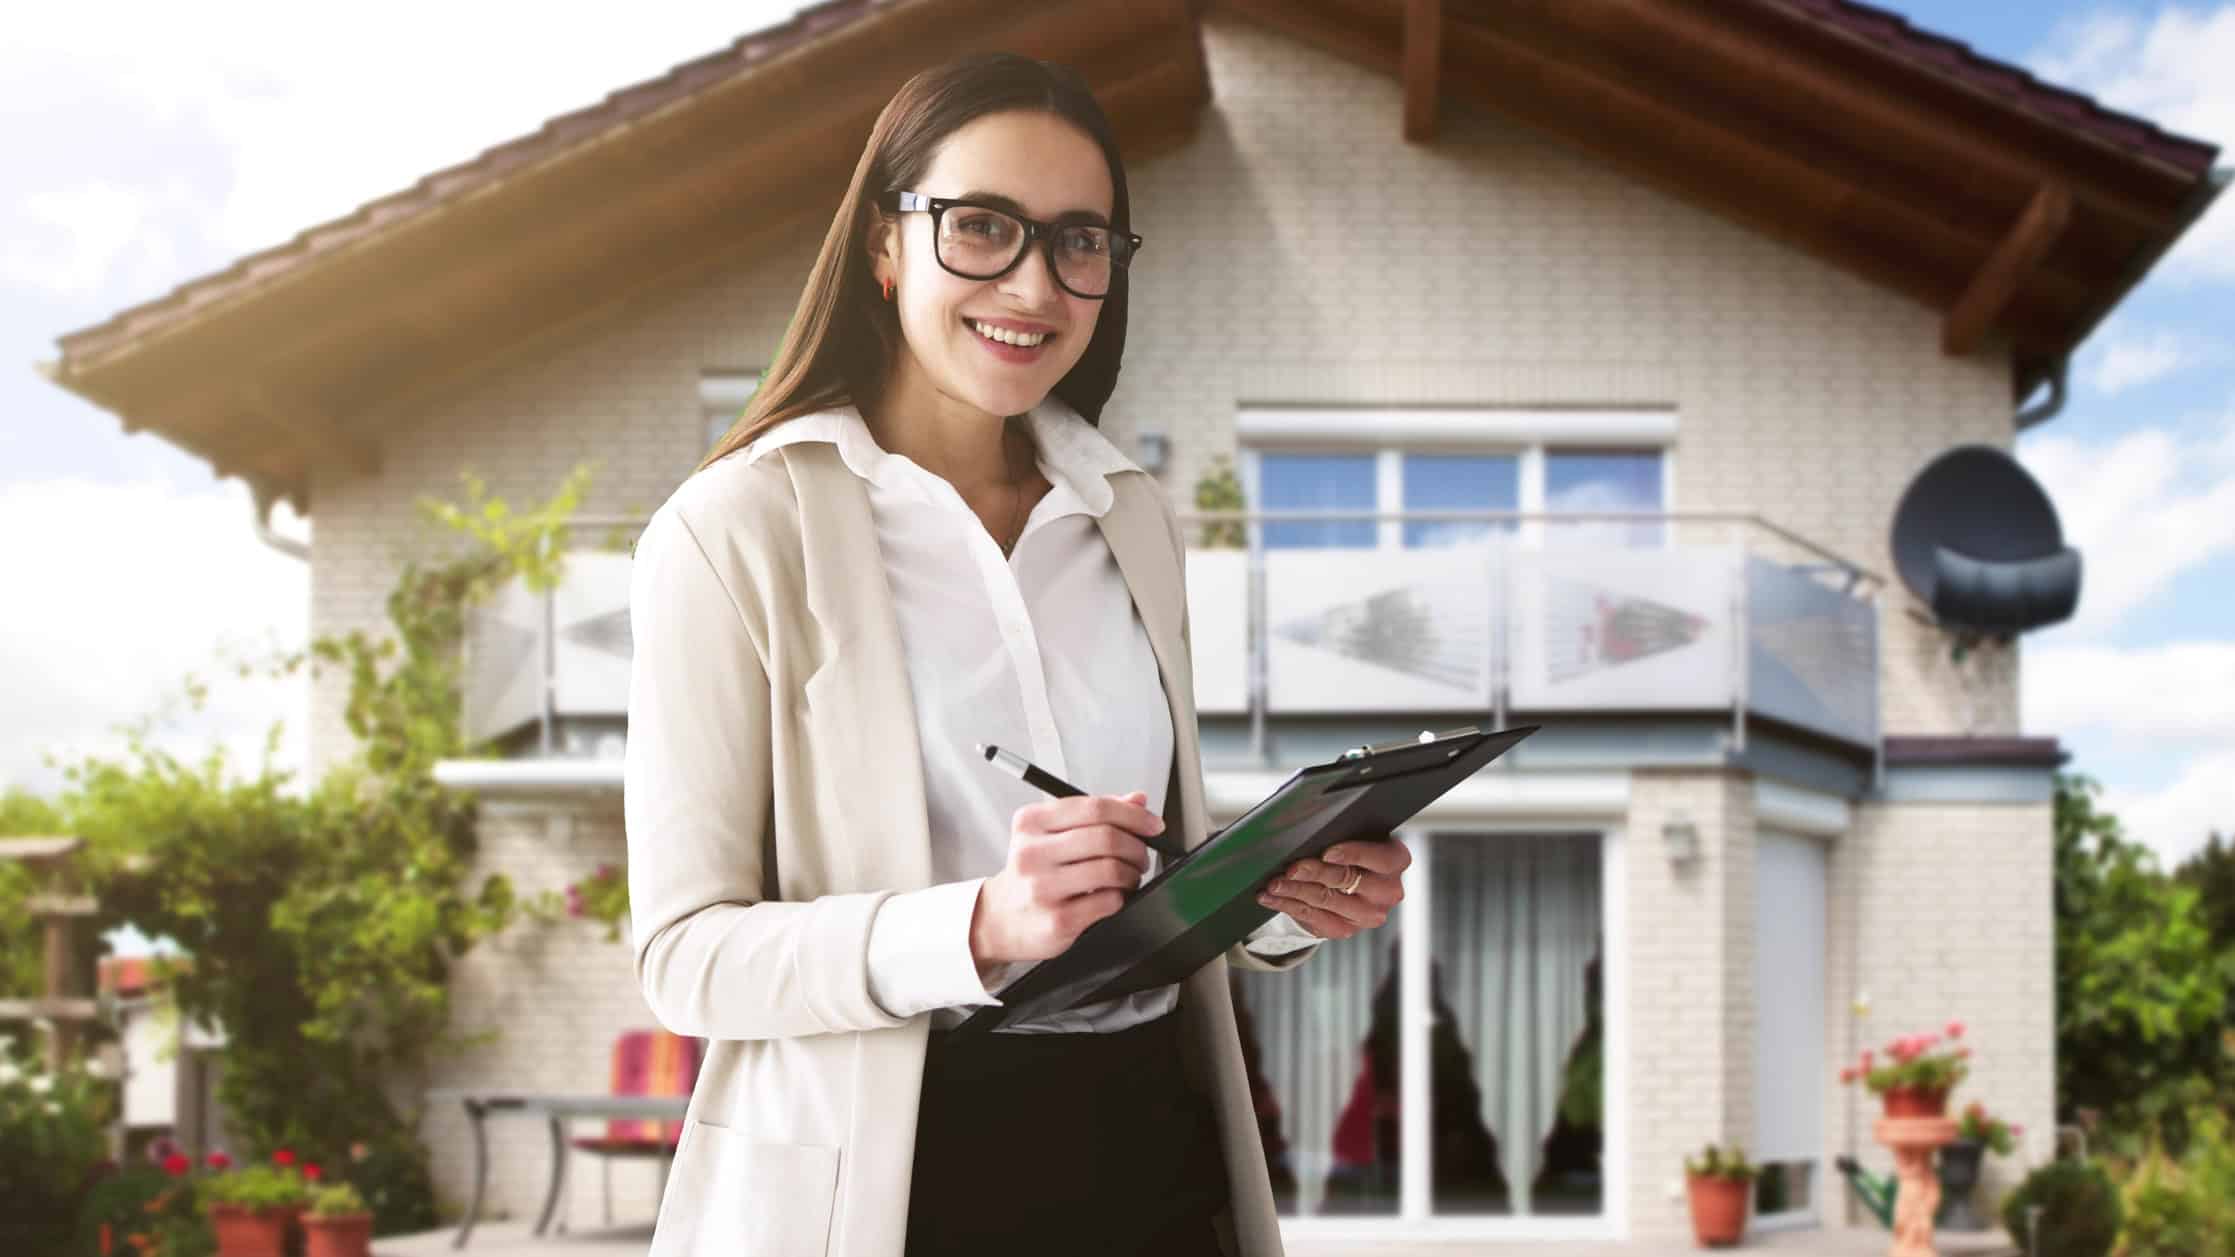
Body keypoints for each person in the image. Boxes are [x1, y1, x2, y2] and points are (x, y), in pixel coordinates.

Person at [623, 51, 1409, 1257]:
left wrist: (1278, 900)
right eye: (982, 226)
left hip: (1156, 1148)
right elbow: (684, 960)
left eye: (1080, 241)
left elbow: (1154, 873)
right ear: (885, 246)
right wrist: (980, 923)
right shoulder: (733, 530)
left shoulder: (1128, 513)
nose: (1036, 285)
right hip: (893, 1177)